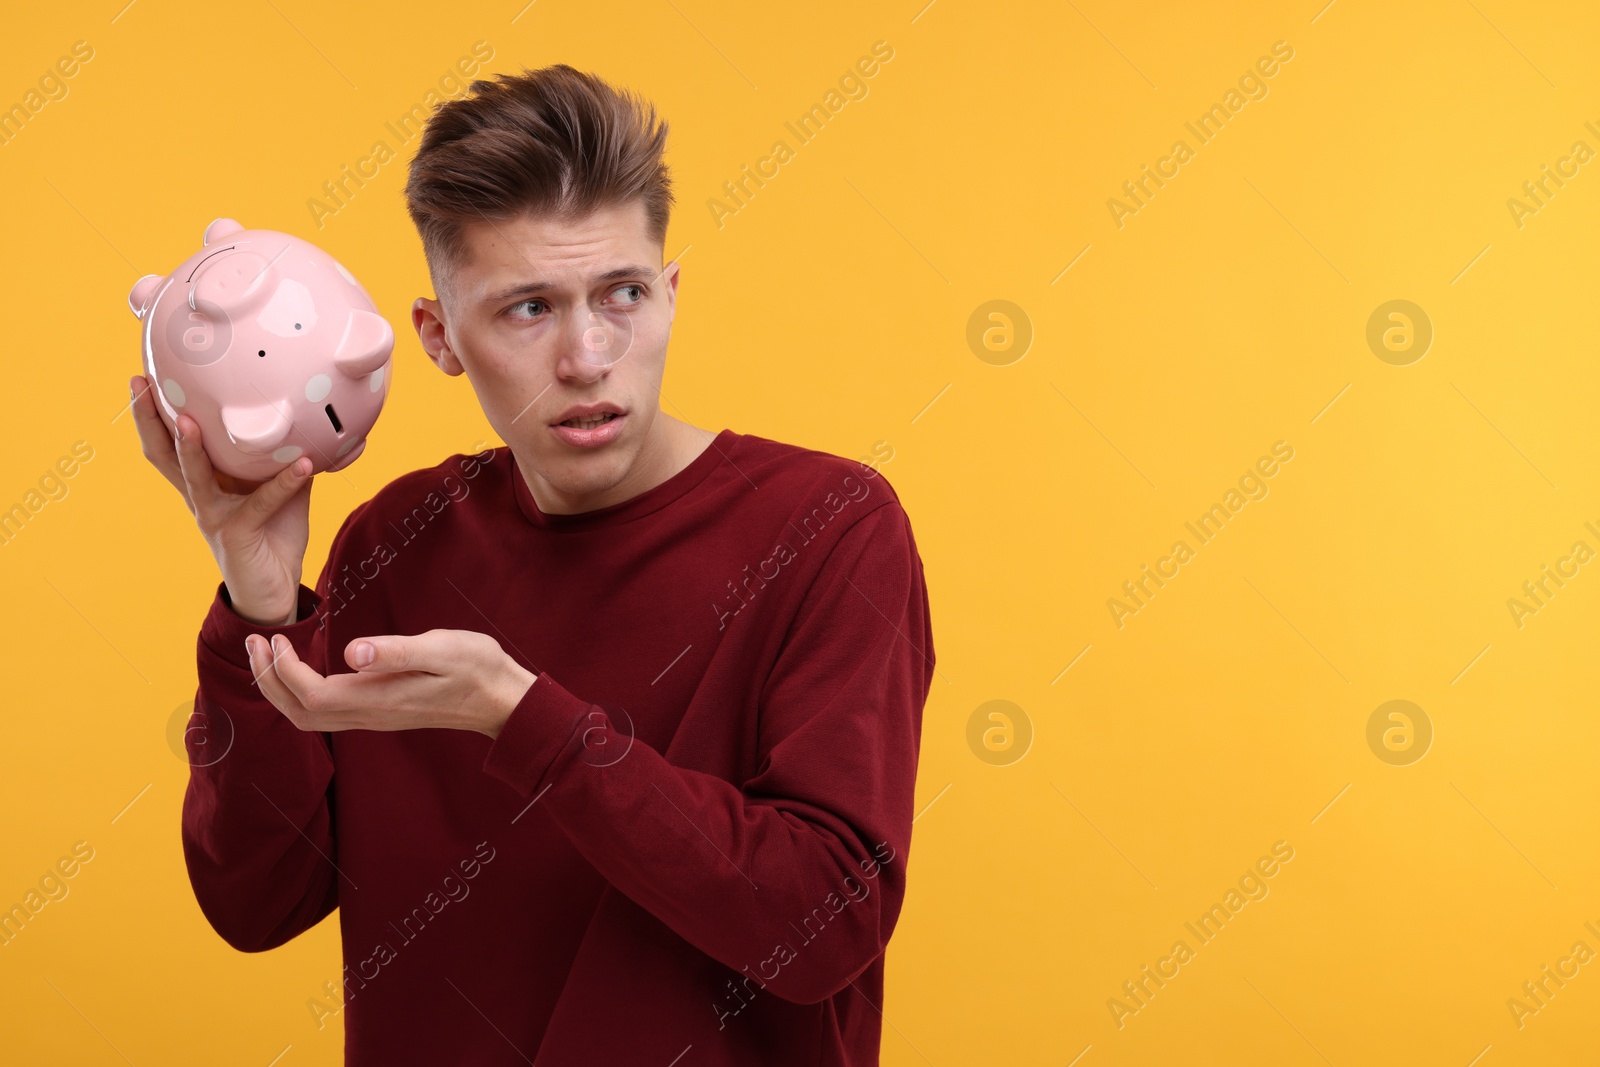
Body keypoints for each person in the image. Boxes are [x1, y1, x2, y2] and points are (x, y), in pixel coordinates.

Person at [130, 63, 935, 1065]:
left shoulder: (828, 528)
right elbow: (257, 899)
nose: (588, 355)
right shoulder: (395, 541)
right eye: (527, 308)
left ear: (672, 296)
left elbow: (823, 921)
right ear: (437, 337)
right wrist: (257, 598)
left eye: (623, 294)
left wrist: (524, 718)